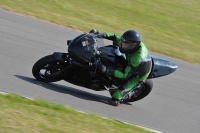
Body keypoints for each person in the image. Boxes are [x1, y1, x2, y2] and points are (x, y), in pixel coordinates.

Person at [90, 29, 152, 106]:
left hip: (138, 75)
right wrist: (101, 35)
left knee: (116, 96)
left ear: (132, 46)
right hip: (130, 61)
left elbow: (124, 75)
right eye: (123, 42)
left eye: (125, 45)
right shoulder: (129, 43)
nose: (122, 45)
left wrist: (107, 70)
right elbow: (115, 37)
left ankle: (128, 95)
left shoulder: (136, 58)